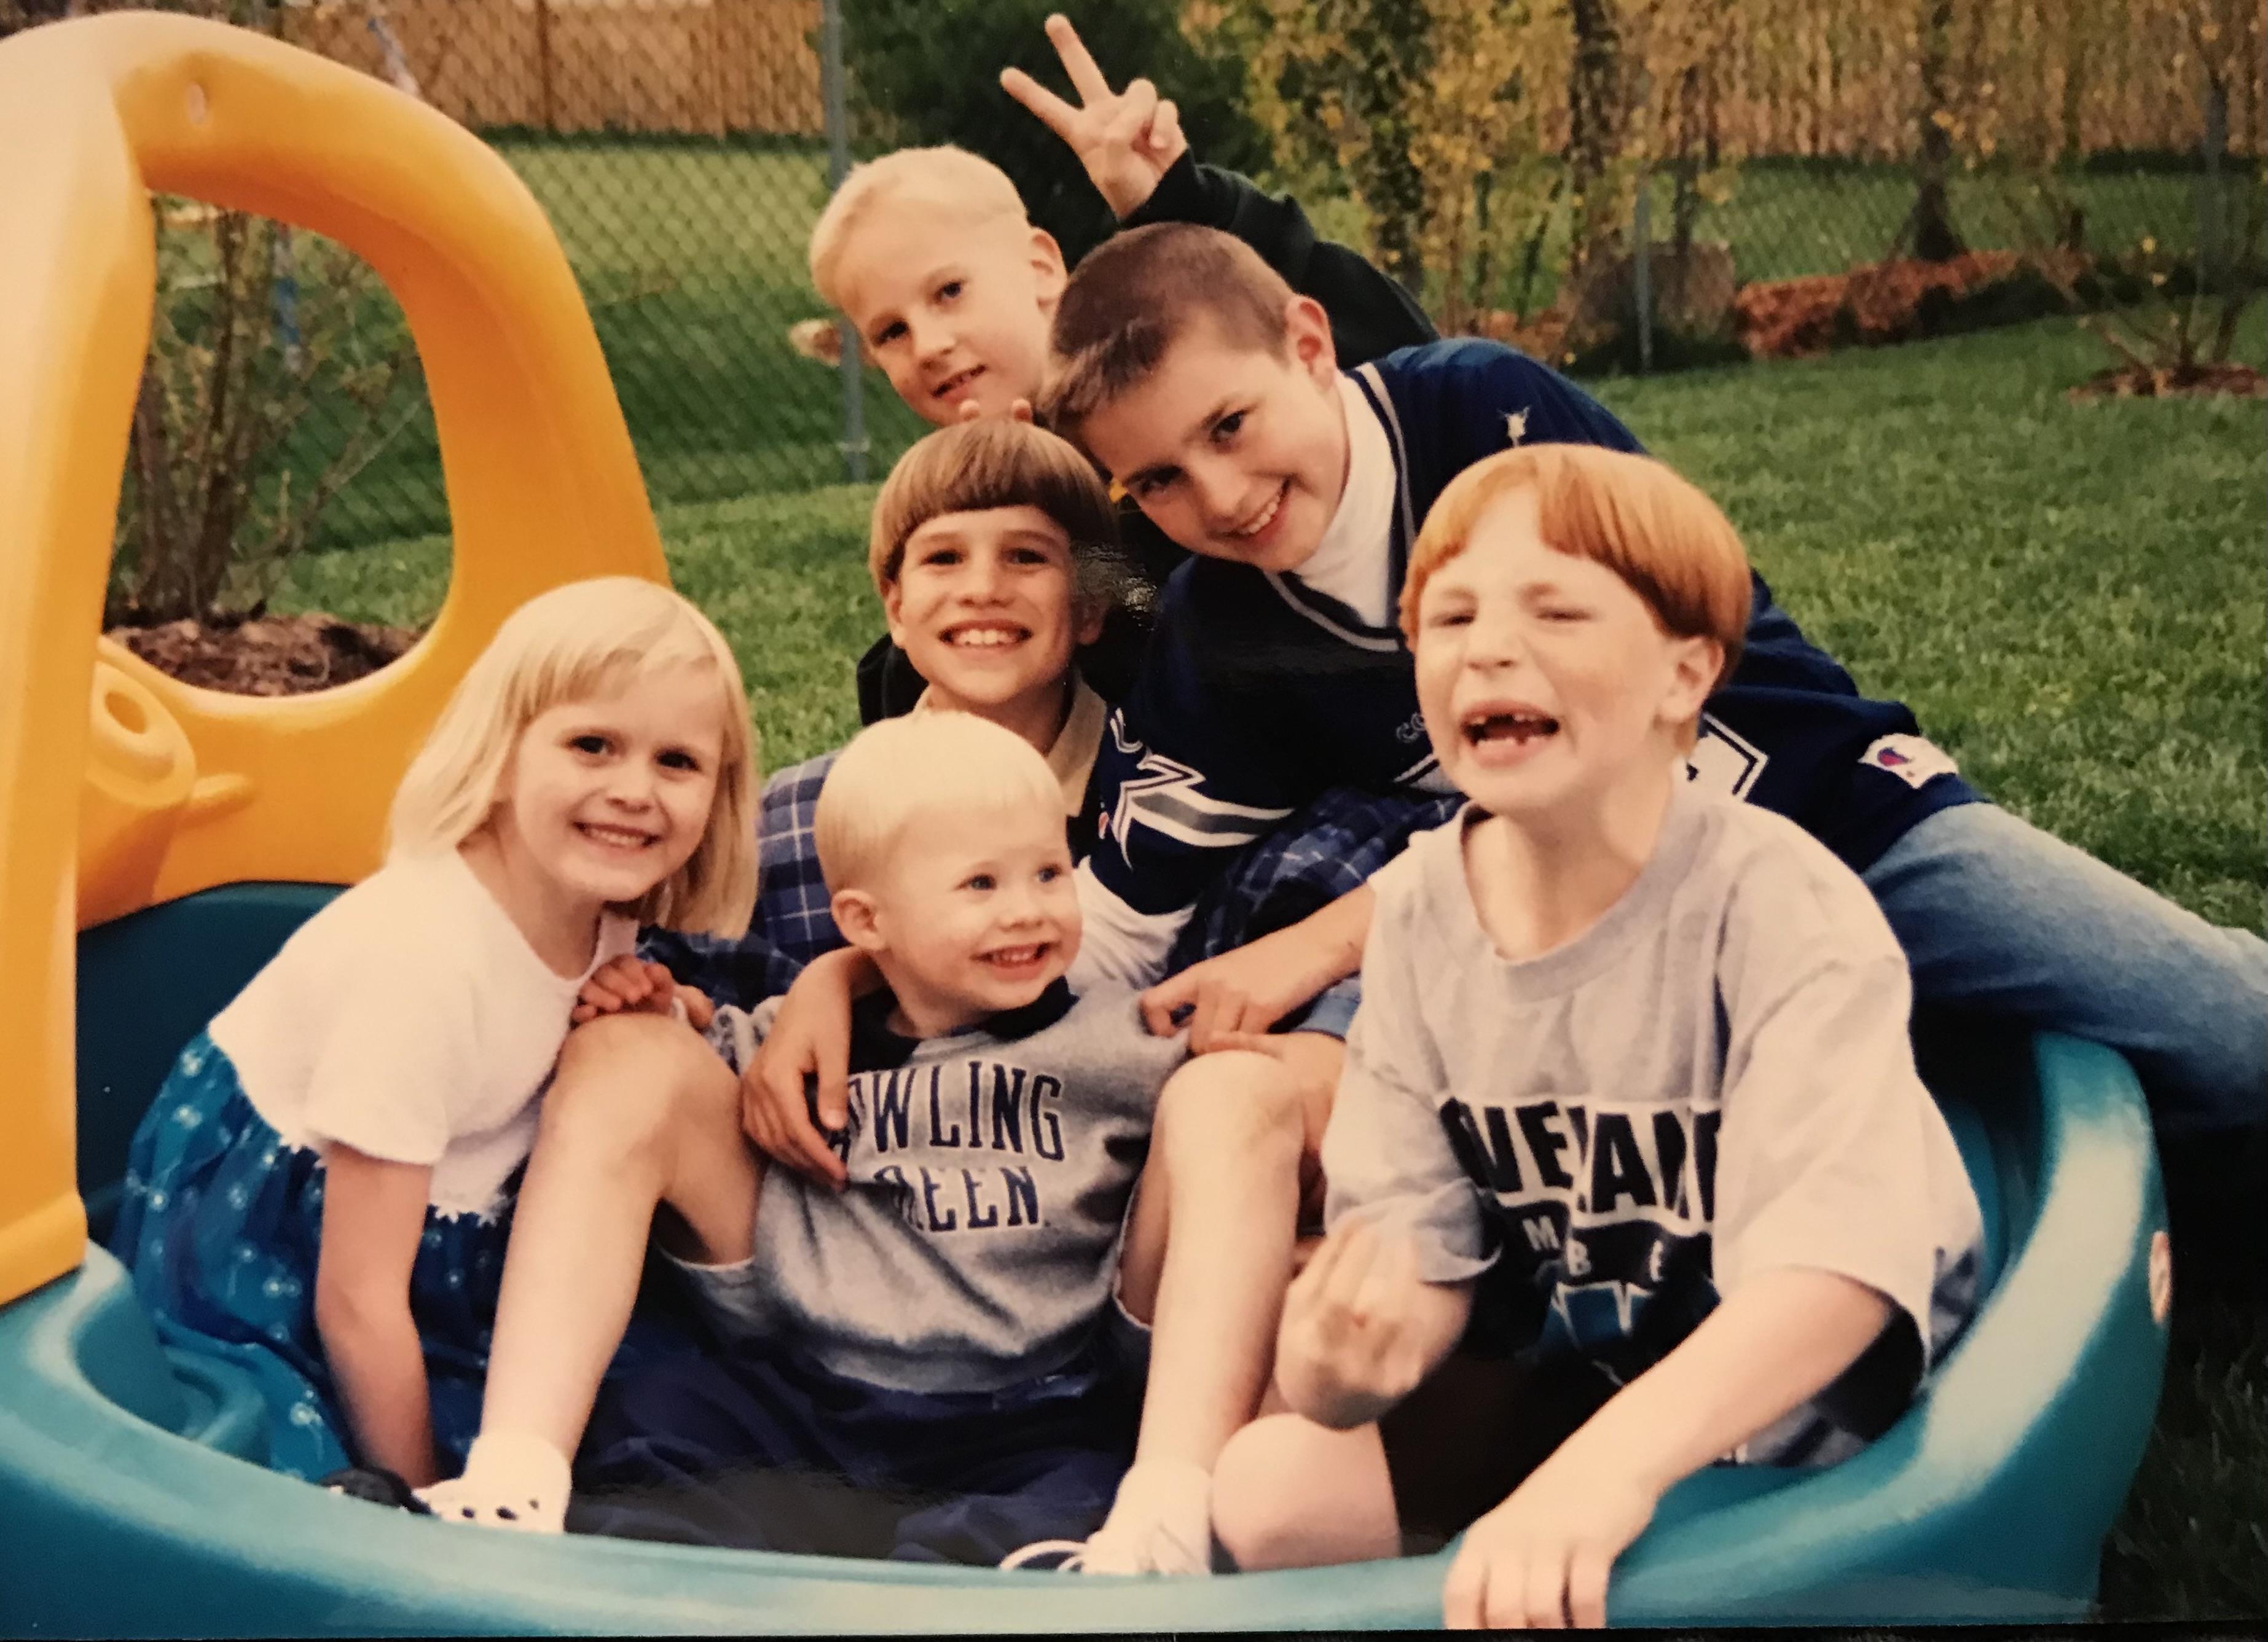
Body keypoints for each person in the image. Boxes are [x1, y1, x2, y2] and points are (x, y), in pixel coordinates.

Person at [1035, 220, 2268, 1144]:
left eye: (1230, 427)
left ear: (1310, 344)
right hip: (1590, 941)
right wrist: (869, 983)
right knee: (1355, 1116)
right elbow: (1123, 916)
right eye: (1155, 484)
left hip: (1827, 818)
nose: (1217, 496)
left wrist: (1313, 943)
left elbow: (1613, 750)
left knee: (2228, 1038)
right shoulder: (1218, 625)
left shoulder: (1486, 420)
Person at [1206, 444, 1984, 1627]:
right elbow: (1416, 1249)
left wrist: (1602, 1475)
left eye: (1556, 608)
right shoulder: (1418, 915)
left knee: (1660, 1558)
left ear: (1686, 672)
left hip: (1804, 1411)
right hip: (1588, 1368)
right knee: (1275, 1480)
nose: (1489, 646)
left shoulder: (1773, 901)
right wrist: (1348, 1356)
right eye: (1449, 616)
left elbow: (1836, 1275)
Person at [424, 714, 1308, 1574]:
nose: (1026, 912)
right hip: (804, 1395)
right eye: (979, 885)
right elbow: (668, 1080)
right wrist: (652, 1004)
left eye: (1047, 872)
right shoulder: (786, 1045)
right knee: (622, 1068)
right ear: (864, 920)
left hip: (1034, 1417)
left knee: (1237, 1089)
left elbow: (1274, 1110)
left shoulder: (1119, 1041)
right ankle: (516, 1477)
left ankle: (1166, 1514)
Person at [107, 577, 759, 1487]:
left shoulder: (598, 899)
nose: (633, 791)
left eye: (677, 762)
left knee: (669, 1416)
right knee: (294, 1473)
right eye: (592, 745)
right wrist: (419, 1503)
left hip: (448, 1226)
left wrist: (664, 1006)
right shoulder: (425, 965)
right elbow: (355, 1299)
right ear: (498, 759)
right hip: (289, 1255)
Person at [807, 13, 1434, 721]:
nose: (927, 343)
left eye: (950, 292)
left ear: (1041, 265)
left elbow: (1384, 351)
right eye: (891, 332)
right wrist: (1033, 525)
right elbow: (1142, 621)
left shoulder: (1155, 345)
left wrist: (1183, 203)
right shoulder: (974, 486)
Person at [750, 418, 1129, 972]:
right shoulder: (795, 820)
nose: (982, 590)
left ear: (1090, 606)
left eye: (1026, 556)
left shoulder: (1161, 796)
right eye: (944, 558)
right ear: (896, 608)